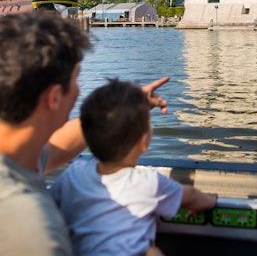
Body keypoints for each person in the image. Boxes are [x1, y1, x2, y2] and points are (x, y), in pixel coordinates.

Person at [0, 11, 169, 255]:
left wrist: (127, 106)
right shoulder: (33, 230)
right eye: (77, 78)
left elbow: (59, 147)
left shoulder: (18, 156)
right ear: (55, 97)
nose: (79, 90)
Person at [50, 78, 218, 255]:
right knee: (152, 252)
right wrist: (212, 200)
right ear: (144, 142)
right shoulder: (148, 182)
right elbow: (191, 197)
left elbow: (51, 204)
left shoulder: (73, 174)